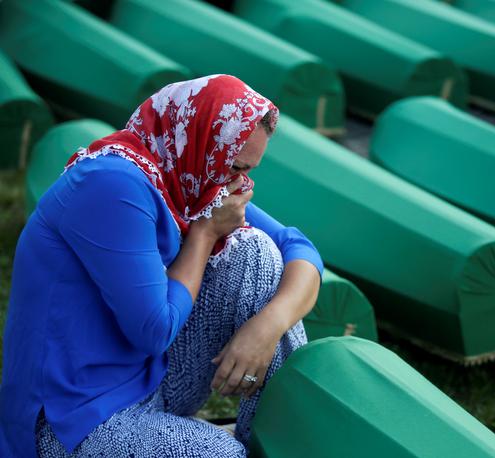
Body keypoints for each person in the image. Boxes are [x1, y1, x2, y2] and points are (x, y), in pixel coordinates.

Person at [0, 75, 323, 457]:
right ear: (202, 141)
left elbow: (298, 248)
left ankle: (272, 443)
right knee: (222, 456)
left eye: (246, 169)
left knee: (257, 252)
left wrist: (267, 327)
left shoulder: (187, 178)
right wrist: (204, 233)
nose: (240, 181)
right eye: (233, 166)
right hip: (72, 418)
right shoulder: (109, 185)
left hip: (152, 381)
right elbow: (153, 330)